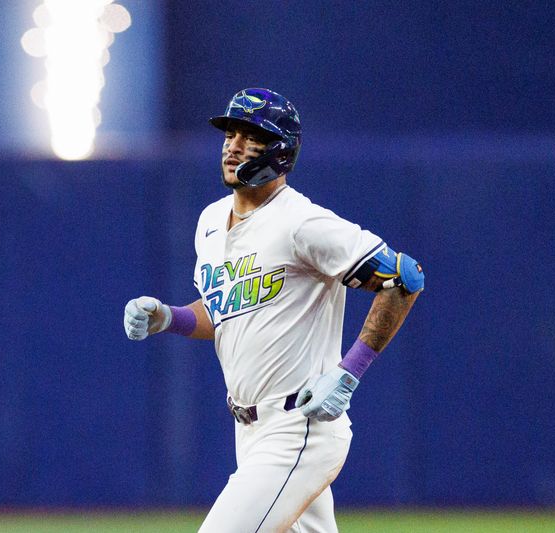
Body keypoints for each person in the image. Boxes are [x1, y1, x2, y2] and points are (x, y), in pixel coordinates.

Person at [123, 88, 424, 533]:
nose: (234, 145)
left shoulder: (301, 223)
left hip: (298, 428)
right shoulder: (209, 221)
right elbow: (225, 313)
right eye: (230, 133)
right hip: (250, 430)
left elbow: (405, 278)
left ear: (279, 150)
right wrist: (170, 317)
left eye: (251, 135)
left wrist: (349, 372)